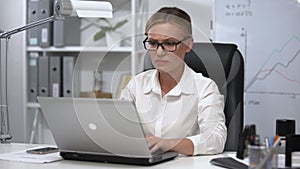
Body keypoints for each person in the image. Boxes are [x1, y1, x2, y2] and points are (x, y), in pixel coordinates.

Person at [120, 7, 226, 156]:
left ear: (188, 44)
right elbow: (118, 129)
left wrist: (169, 144)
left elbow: (215, 140)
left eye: (169, 43)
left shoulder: (205, 88)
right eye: (152, 43)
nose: (159, 52)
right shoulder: (137, 84)